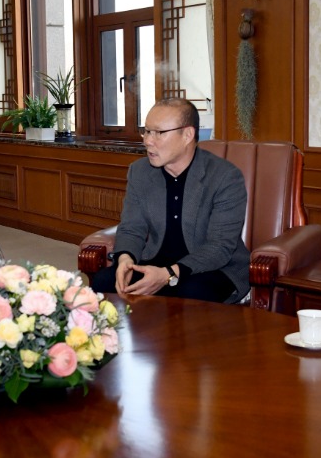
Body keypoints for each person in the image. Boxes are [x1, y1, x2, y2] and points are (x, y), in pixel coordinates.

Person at [90, 98, 250, 304]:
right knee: (103, 282)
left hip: (211, 268)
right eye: (147, 131)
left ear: (187, 135)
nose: (148, 141)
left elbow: (219, 247)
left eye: (159, 133)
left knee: (190, 294)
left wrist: (169, 274)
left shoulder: (224, 177)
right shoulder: (140, 171)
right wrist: (125, 260)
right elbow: (132, 228)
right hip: (156, 262)